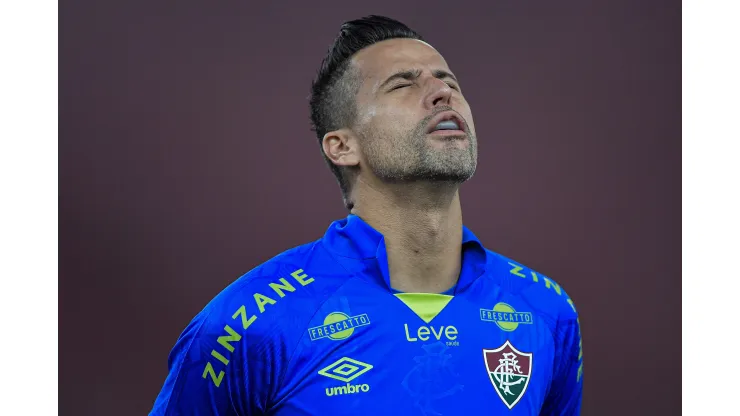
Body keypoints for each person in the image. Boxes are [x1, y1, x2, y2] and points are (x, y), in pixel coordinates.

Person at [150, 15, 583, 416]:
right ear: (342, 146)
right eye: (403, 85)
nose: (442, 92)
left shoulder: (546, 311)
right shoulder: (249, 326)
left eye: (448, 80)